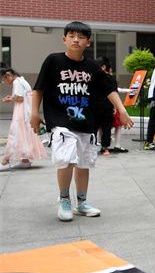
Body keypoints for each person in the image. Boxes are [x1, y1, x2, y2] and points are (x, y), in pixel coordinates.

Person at [30, 21, 134, 221]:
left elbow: (108, 89)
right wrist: (34, 113)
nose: (76, 40)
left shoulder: (92, 66)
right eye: (71, 36)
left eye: (81, 37)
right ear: (64, 39)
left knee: (84, 163)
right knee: (67, 159)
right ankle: (64, 199)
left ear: (88, 42)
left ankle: (81, 202)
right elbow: (39, 88)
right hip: (60, 120)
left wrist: (122, 110)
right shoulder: (53, 61)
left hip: (86, 121)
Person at [0, 67, 46, 170]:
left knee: (15, 134)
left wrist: (10, 100)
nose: (4, 82)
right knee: (23, 135)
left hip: (21, 113)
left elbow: (20, 98)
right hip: (26, 111)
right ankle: (25, 161)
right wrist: (12, 98)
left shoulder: (17, 82)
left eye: (2, 80)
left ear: (8, 75)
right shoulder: (22, 80)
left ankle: (5, 161)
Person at [95, 57, 128, 155]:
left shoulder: (94, 78)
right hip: (107, 107)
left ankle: (93, 146)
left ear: (103, 67)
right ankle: (105, 148)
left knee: (96, 127)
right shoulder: (111, 79)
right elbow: (114, 94)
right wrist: (114, 107)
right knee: (106, 127)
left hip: (96, 107)